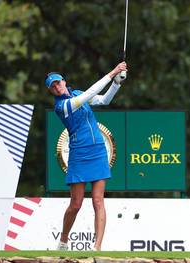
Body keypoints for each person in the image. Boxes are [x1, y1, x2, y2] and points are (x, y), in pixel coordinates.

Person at [45, 62, 128, 251]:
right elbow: (88, 95)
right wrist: (112, 72)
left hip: (98, 150)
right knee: (76, 204)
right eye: (53, 86)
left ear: (64, 82)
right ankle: (63, 241)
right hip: (79, 154)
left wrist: (116, 83)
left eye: (58, 83)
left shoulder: (76, 94)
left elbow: (104, 101)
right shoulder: (62, 106)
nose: (57, 87)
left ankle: (97, 247)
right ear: (51, 91)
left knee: (98, 200)